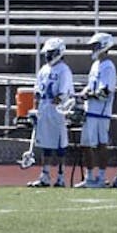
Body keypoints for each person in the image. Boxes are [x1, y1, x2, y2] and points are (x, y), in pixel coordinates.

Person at [28, 37, 73, 187]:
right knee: (45, 144)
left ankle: (61, 176)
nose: (48, 56)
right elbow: (37, 91)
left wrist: (51, 102)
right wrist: (36, 109)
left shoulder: (64, 70)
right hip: (44, 108)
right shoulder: (44, 69)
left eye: (51, 52)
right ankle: (45, 175)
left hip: (57, 111)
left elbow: (62, 94)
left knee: (59, 146)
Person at [76, 32, 117, 188]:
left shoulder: (108, 66)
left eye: (95, 45)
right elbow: (92, 85)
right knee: (86, 144)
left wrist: (89, 95)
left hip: (101, 112)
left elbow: (105, 91)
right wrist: (84, 93)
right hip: (90, 110)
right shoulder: (96, 65)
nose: (93, 49)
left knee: (100, 144)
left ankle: (100, 177)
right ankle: (89, 177)